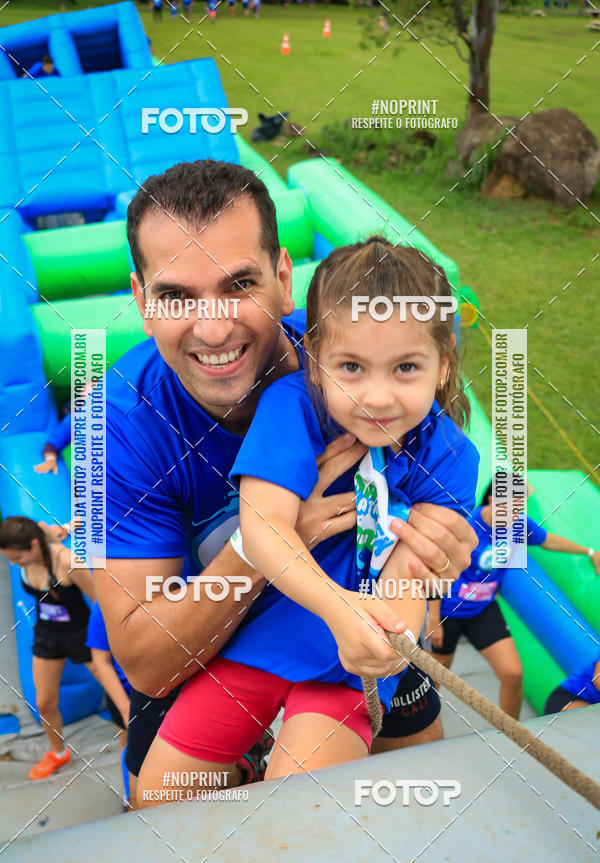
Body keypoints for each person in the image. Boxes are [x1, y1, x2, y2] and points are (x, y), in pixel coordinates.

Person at [94, 159, 478, 807]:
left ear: (282, 279)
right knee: (157, 821)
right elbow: (147, 664)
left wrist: (430, 573)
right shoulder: (117, 428)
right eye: (176, 296)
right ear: (140, 301)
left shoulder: (362, 349)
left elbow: (434, 520)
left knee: (400, 812)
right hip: (204, 647)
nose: (213, 329)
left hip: (355, 639)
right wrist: (264, 541)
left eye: (238, 283)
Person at [428, 478, 600, 719]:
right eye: (512, 508)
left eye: (520, 508)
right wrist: (433, 617)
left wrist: (590, 552)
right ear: (493, 501)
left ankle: (510, 733)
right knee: (436, 677)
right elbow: (437, 569)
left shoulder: (517, 525)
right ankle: (428, 723)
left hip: (482, 610)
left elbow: (548, 540)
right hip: (448, 611)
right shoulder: (467, 526)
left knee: (513, 674)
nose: (517, 514)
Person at [0, 517, 97, 779]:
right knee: (44, 702)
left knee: (120, 690)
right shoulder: (33, 541)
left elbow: (98, 599)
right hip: (47, 634)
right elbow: (44, 528)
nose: (12, 563)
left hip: (81, 632)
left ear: (32, 545)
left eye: (17, 557)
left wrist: (66, 528)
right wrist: (63, 528)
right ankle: (58, 753)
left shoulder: (65, 562)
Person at [86, 602, 131, 752]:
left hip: (171, 695)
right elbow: (101, 660)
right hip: (124, 693)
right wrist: (125, 709)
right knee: (128, 746)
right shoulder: (104, 607)